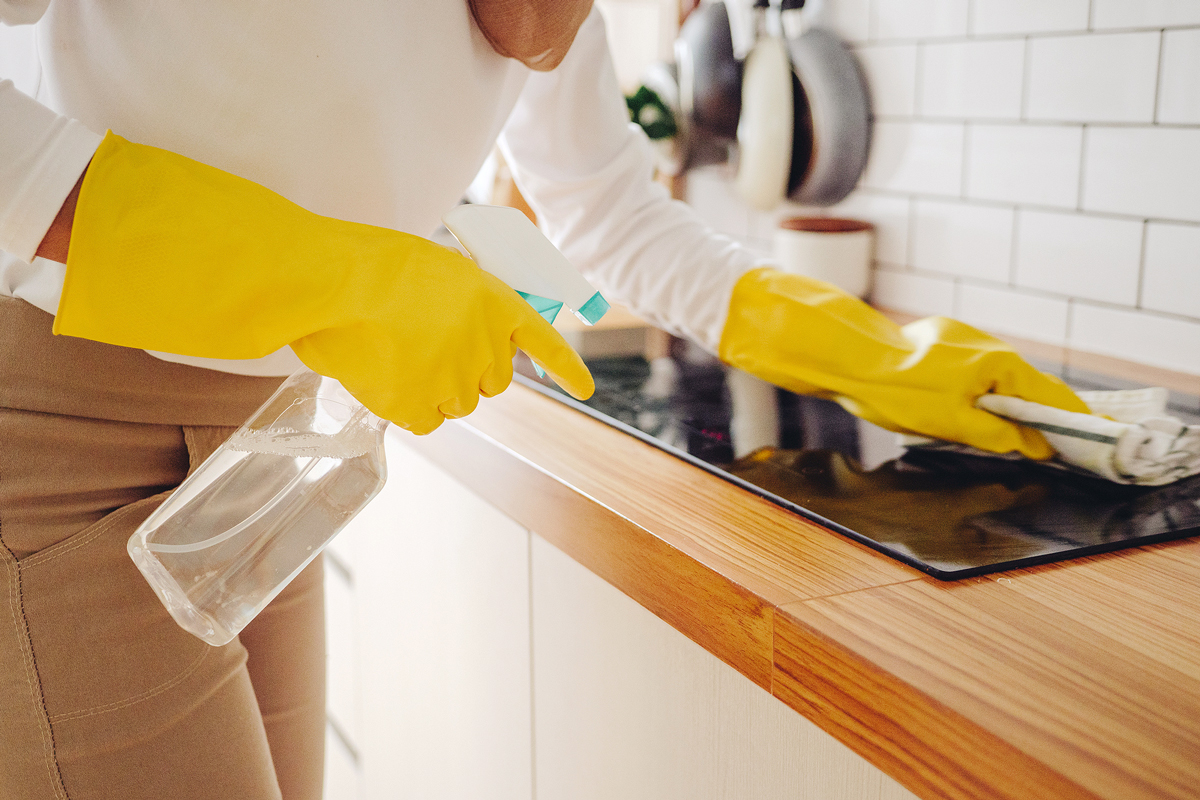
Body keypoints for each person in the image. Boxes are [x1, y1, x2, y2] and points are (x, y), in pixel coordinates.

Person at [0, 2, 1088, 798]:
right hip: (64, 439)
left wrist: (863, 347)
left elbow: (608, 206)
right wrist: (312, 275)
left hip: (271, 454)